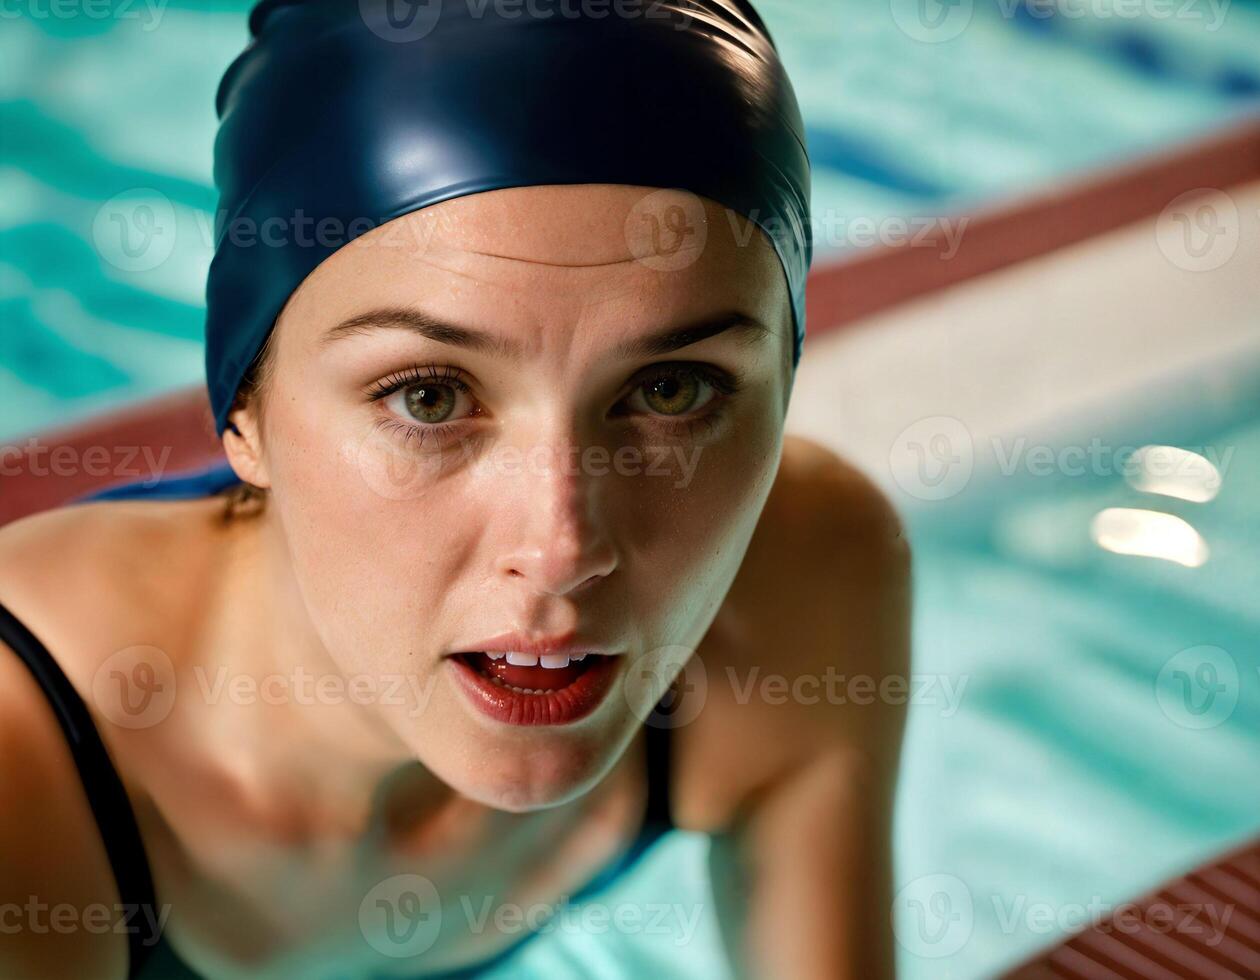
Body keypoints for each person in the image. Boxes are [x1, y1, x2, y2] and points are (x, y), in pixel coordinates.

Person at [0, 1, 910, 977]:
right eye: (429, 396)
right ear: (246, 412)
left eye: (670, 389)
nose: (563, 545)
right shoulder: (26, 777)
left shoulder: (807, 586)